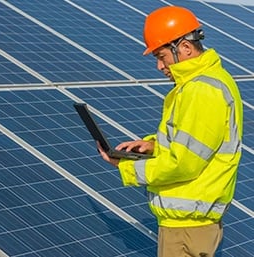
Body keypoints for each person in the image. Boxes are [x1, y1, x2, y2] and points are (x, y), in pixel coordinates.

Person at [97, 5, 243, 257]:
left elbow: (184, 163)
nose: (159, 66)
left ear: (185, 48)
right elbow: (192, 141)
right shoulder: (203, 82)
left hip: (188, 228)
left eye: (161, 56)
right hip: (189, 225)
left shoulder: (201, 91)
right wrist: (152, 145)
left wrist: (127, 168)